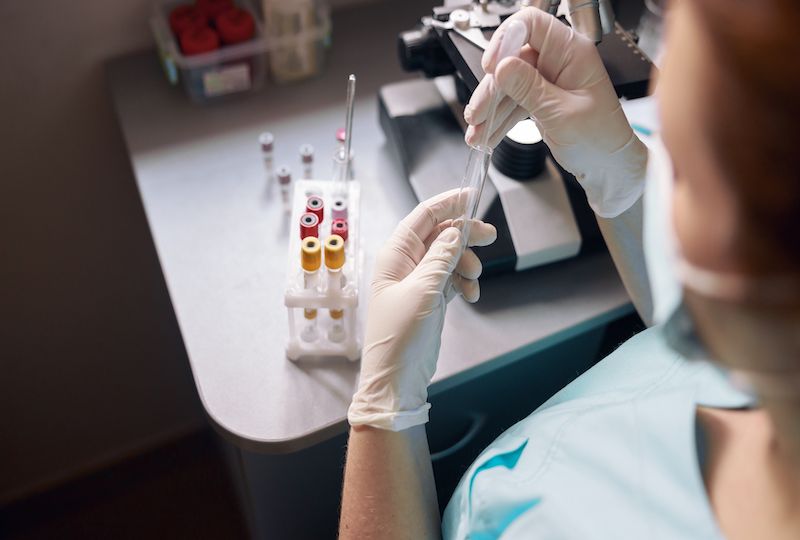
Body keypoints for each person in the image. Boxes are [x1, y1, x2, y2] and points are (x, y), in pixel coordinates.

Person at [339, 0, 800, 538]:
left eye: (680, 166)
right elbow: (715, 324)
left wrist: (383, 409)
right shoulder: (768, 358)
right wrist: (619, 172)